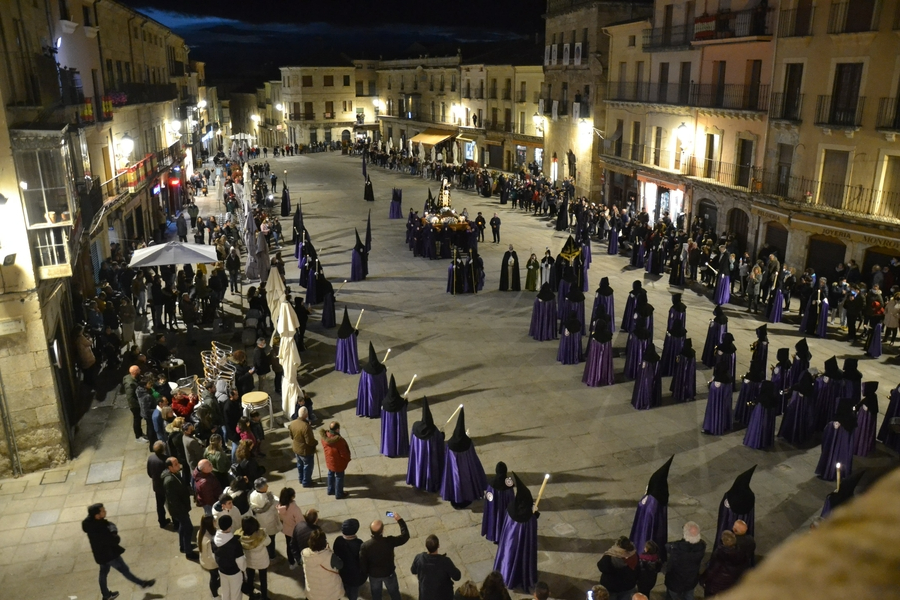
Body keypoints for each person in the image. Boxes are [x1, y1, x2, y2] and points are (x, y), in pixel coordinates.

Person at [82, 503, 156, 600]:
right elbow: (112, 540)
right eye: (103, 511)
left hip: (100, 555)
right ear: (97, 515)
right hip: (110, 555)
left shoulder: (89, 524)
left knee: (103, 573)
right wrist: (115, 535)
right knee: (124, 570)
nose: (105, 511)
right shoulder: (101, 528)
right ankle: (142, 583)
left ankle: (106, 595)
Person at [360, 512, 410, 600]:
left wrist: (368, 572)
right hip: (389, 573)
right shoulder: (389, 542)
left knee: (376, 595)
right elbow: (405, 536)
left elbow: (363, 563)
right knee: (394, 593)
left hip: (374, 575)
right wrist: (399, 520)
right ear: (382, 530)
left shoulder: (365, 546)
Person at [161, 457, 198, 559]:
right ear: (170, 467)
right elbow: (173, 500)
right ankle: (188, 552)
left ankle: (183, 546)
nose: (178, 465)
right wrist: (183, 510)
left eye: (177, 462)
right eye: (176, 464)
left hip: (181, 508)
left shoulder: (175, 474)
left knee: (183, 526)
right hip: (179, 510)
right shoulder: (170, 481)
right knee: (188, 528)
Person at [410, 534, 461, 600]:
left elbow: (413, 570)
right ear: (438, 546)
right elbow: (457, 577)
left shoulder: (419, 558)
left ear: (426, 546)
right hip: (443, 596)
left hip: (425, 596)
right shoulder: (445, 561)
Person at [665, 521, 706, 600]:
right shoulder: (702, 547)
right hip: (691, 580)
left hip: (675, 582)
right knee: (689, 596)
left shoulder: (677, 549)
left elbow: (670, 564)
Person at [700, 530, 748, 597]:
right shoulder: (741, 554)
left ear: (723, 541)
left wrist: (703, 579)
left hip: (716, 585)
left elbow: (712, 570)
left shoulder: (720, 554)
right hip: (730, 585)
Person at [303, 529, 345, 600]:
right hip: (330, 594)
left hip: (313, 593)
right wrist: (329, 550)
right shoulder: (330, 556)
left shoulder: (305, 553)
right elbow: (340, 565)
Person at [212, 515, 246, 600]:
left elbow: (214, 556)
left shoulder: (214, 540)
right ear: (230, 526)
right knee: (235, 594)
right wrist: (243, 569)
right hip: (234, 573)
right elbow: (240, 561)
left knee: (225, 592)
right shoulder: (234, 542)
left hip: (222, 571)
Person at [238, 515, 270, 600]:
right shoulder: (261, 535)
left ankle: (251, 595)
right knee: (263, 580)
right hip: (262, 561)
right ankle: (264, 597)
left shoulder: (241, 538)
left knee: (250, 579)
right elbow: (268, 542)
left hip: (249, 561)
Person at [333, 518, 366, 600]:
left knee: (345, 586)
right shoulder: (359, 543)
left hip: (343, 573)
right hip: (355, 577)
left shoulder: (338, 540)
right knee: (353, 593)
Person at [250, 477, 281, 560]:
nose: (267, 486)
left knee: (263, 538)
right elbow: (275, 504)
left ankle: (267, 552)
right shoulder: (266, 498)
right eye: (266, 485)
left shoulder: (253, 494)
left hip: (259, 520)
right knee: (271, 539)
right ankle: (272, 556)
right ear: (262, 488)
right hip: (268, 520)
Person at [320, 421, 352, 498]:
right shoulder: (339, 441)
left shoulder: (324, 437)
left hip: (329, 460)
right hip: (338, 462)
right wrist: (347, 459)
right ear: (337, 429)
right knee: (339, 476)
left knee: (330, 474)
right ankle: (339, 493)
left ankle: (330, 490)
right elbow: (344, 453)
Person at [288, 406, 318, 487]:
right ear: (306, 415)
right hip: (305, 451)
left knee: (300, 465)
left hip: (296, 448)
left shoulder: (293, 423)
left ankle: (301, 479)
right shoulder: (305, 426)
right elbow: (309, 441)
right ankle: (306, 482)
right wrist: (315, 442)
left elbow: (291, 436)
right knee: (307, 466)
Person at [146, 441, 171, 528]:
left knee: (160, 505)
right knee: (171, 504)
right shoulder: (166, 460)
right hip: (166, 486)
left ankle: (162, 521)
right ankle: (176, 523)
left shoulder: (151, 458)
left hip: (157, 486)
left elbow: (149, 473)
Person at [277, 487, 303, 570]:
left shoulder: (280, 507)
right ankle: (299, 560)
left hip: (287, 530)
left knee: (289, 546)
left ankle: (291, 562)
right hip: (295, 531)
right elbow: (300, 521)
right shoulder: (294, 508)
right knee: (298, 547)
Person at [197, 515, 220, 598]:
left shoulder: (200, 532)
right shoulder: (209, 539)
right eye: (214, 521)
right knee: (216, 578)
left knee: (214, 577)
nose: (215, 522)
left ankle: (215, 594)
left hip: (204, 560)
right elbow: (212, 556)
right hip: (211, 563)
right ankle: (215, 595)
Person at [122, 365, 146, 443]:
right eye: (138, 370)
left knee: (138, 419)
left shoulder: (132, 378)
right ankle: (138, 436)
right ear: (135, 372)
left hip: (137, 403)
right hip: (135, 406)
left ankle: (140, 433)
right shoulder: (130, 384)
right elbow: (130, 397)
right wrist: (138, 405)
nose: (140, 370)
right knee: (137, 420)